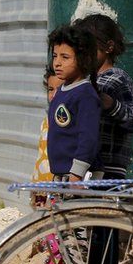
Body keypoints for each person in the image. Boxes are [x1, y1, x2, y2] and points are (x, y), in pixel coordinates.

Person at [72, 14, 133, 179]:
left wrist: (112, 105)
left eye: (90, 48)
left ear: (109, 47)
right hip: (84, 164)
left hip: (109, 167)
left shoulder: (117, 79)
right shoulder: (83, 80)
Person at [47, 25, 102, 182]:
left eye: (65, 57)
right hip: (64, 175)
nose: (57, 63)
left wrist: (77, 173)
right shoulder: (62, 91)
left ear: (84, 59)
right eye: (55, 56)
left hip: (81, 177)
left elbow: (88, 137)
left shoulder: (85, 95)